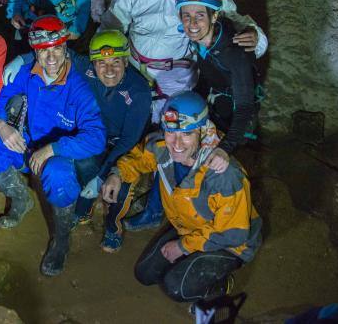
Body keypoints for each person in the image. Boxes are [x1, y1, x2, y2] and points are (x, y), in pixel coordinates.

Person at [100, 0, 268, 232]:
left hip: (178, 78)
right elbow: (111, 25)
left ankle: (157, 209)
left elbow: (235, 21)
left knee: (173, 143)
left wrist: (256, 37)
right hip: (137, 71)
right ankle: (119, 190)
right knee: (133, 137)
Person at [101, 91, 262, 303]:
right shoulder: (162, 147)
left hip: (229, 243)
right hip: (190, 227)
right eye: (170, 132)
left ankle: (222, 285)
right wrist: (117, 174)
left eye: (187, 134)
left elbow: (233, 234)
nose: (176, 143)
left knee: (175, 288)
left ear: (203, 132)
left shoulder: (224, 174)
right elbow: (138, 159)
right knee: (145, 274)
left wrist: (183, 246)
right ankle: (191, 259)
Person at [2, 30, 152, 251]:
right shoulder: (87, 68)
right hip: (95, 136)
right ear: (93, 63)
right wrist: (22, 59)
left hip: (125, 145)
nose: (108, 70)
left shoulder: (138, 91)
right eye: (102, 63)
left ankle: (113, 226)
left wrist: (104, 175)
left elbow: (128, 141)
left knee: (117, 184)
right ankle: (84, 209)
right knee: (81, 163)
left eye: (116, 62)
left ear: (126, 62)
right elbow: (57, 51)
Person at [0, 15, 106, 276]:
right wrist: (2, 125)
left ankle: (61, 239)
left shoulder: (78, 87)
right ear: (34, 51)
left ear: (65, 48)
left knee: (58, 174)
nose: (51, 58)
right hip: (25, 145)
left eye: (57, 49)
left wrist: (52, 149)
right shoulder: (26, 73)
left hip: (55, 155)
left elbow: (96, 137)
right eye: (43, 51)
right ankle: (21, 200)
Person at [176, 0, 259, 156]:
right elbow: (206, 76)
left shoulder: (234, 53)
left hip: (234, 114)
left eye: (199, 15)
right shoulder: (203, 39)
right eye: (186, 16)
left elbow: (245, 107)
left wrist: (225, 148)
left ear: (214, 17)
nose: (192, 23)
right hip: (215, 103)